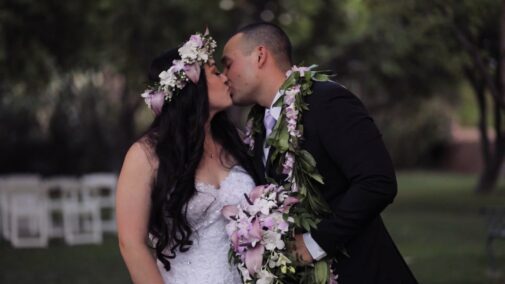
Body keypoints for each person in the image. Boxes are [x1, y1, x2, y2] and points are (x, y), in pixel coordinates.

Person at [222, 22, 418, 283]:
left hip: (361, 272)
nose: (225, 75)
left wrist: (313, 244)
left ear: (260, 56)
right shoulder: (257, 128)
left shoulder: (326, 101)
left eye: (228, 64)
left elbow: (377, 182)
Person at [115, 31, 262, 284]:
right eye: (215, 72)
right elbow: (131, 244)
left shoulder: (237, 142)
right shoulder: (145, 155)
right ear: (192, 86)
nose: (225, 78)